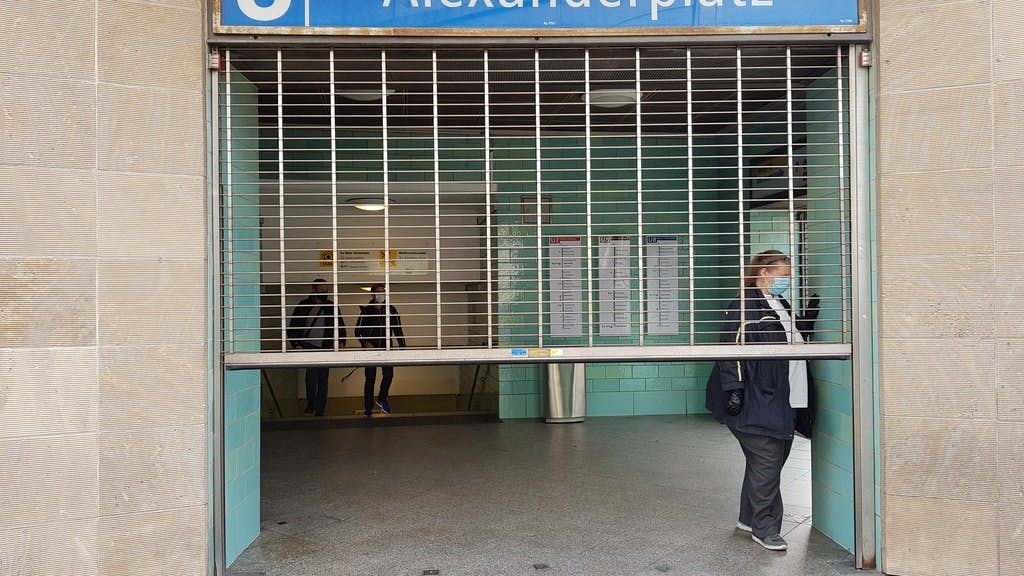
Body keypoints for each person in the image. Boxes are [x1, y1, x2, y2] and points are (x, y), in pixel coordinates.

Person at [705, 250, 819, 552]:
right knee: (767, 461)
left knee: (767, 463)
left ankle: (747, 518)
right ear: (764, 273)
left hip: (785, 398)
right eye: (783, 274)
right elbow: (730, 349)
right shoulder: (745, 304)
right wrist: (735, 390)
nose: (787, 280)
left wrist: (807, 322)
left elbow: (791, 341)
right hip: (756, 399)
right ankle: (765, 529)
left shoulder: (779, 303)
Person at [287, 279, 346, 417]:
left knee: (323, 379)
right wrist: (296, 344)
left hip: (326, 347)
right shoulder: (304, 305)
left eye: (326, 289)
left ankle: (320, 409)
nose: (325, 292)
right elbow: (293, 327)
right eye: (322, 289)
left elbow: (340, 324)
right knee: (312, 377)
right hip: (308, 346)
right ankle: (311, 405)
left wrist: (342, 341)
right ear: (313, 290)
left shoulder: (331, 306)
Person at [355, 283, 407, 417]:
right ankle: (368, 408)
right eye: (379, 292)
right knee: (370, 378)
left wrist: (403, 347)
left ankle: (382, 398)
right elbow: (358, 331)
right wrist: (365, 342)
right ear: (372, 294)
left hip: (386, 348)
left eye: (383, 292)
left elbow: (398, 329)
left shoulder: (391, 309)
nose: (381, 294)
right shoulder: (366, 311)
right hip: (370, 350)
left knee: (389, 375)